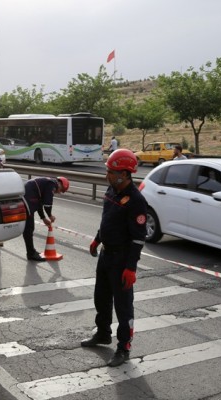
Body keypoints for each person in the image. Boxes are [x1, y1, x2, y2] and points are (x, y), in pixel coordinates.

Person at [81, 149, 147, 368]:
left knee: (123, 306)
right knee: (101, 297)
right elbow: (106, 220)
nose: (107, 174)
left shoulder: (136, 201)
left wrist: (131, 268)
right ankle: (102, 333)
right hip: (106, 254)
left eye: (111, 171)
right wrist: (97, 239)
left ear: (125, 174)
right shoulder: (111, 190)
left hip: (122, 259)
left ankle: (123, 347)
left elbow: (138, 238)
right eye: (108, 170)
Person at [22, 177, 70, 261]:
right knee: (29, 228)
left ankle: (31, 251)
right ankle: (31, 254)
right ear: (60, 184)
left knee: (29, 228)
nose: (59, 192)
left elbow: (39, 203)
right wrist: (50, 216)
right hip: (27, 198)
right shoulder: (51, 184)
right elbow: (47, 203)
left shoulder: (47, 183)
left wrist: (43, 218)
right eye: (61, 190)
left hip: (27, 196)